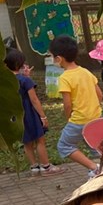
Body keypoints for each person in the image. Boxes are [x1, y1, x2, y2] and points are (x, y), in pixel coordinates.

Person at [5, 48, 64, 176]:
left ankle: (34, 168)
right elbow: (34, 100)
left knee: (27, 142)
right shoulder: (26, 81)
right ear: (19, 64)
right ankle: (46, 166)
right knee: (40, 140)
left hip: (17, 117)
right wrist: (43, 116)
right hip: (30, 114)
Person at [50, 34, 103, 174]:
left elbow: (67, 105)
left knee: (64, 146)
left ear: (58, 59)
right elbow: (100, 95)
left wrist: (68, 119)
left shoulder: (65, 77)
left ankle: (94, 168)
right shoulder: (86, 72)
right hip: (95, 116)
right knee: (94, 144)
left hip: (79, 120)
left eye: (52, 57)